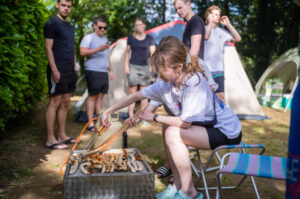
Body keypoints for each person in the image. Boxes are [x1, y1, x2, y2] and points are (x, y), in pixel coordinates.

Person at [101, 36, 242, 199]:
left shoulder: (193, 82)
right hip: (207, 127)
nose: (158, 72)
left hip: (225, 131)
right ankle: (178, 185)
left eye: (162, 68)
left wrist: (153, 117)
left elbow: (185, 123)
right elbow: (135, 96)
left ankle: (189, 191)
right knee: (168, 127)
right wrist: (108, 111)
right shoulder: (166, 83)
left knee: (172, 132)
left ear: (179, 67)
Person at [154, 0, 219, 179]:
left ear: (189, 4)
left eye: (181, 7)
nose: (178, 11)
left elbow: (195, 49)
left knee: (175, 121)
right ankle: (172, 164)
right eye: (176, 9)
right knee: (169, 118)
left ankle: (174, 166)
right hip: (187, 73)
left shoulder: (196, 21)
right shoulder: (191, 23)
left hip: (190, 76)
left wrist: (183, 73)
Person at [44, 0, 78, 149]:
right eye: (63, 5)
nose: (66, 8)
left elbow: (72, 48)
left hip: (70, 70)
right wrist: (54, 70)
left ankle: (62, 135)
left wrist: (75, 65)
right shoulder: (51, 23)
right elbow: (48, 48)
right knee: (55, 102)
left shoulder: (70, 27)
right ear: (57, 5)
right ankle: (50, 139)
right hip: (58, 69)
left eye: (69, 6)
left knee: (65, 103)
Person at [80, 17, 114, 132]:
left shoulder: (105, 39)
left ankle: (100, 121)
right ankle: (90, 124)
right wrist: (98, 49)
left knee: (100, 97)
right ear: (94, 26)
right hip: (93, 70)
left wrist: (111, 70)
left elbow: (107, 57)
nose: (102, 30)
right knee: (92, 97)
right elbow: (82, 52)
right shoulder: (88, 37)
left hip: (104, 72)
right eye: (100, 27)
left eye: (104, 28)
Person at [204, 5, 241, 102]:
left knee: (221, 97)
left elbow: (238, 38)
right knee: (205, 97)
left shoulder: (222, 32)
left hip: (219, 70)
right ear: (208, 16)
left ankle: (222, 117)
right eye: (215, 14)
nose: (218, 16)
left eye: (218, 15)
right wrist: (210, 23)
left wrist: (228, 24)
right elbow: (206, 37)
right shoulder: (203, 29)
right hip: (205, 70)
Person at [124, 18, 156, 126]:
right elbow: (127, 52)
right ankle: (131, 116)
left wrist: (151, 66)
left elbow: (153, 53)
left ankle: (143, 118)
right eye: (136, 25)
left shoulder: (149, 38)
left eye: (140, 24)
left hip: (145, 67)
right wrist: (126, 66)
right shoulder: (131, 38)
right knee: (132, 93)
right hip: (133, 66)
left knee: (144, 94)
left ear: (144, 25)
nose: (138, 27)